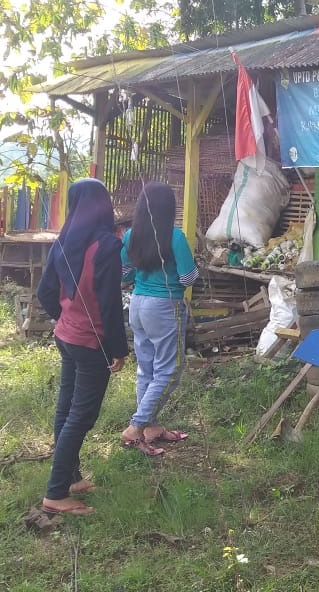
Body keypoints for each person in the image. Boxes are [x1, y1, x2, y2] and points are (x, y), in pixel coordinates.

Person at [36, 179, 129, 516]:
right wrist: (118, 349)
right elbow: (108, 305)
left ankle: (71, 478)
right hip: (91, 343)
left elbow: (45, 292)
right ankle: (56, 493)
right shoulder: (106, 246)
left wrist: (67, 318)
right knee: (81, 416)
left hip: (66, 337)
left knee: (66, 409)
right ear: (103, 206)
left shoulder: (62, 242)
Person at [120, 182, 199, 456]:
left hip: (137, 304)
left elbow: (124, 274)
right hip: (165, 305)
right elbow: (189, 278)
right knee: (170, 369)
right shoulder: (175, 237)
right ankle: (136, 426)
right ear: (169, 208)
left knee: (147, 369)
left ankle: (151, 428)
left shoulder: (130, 235)